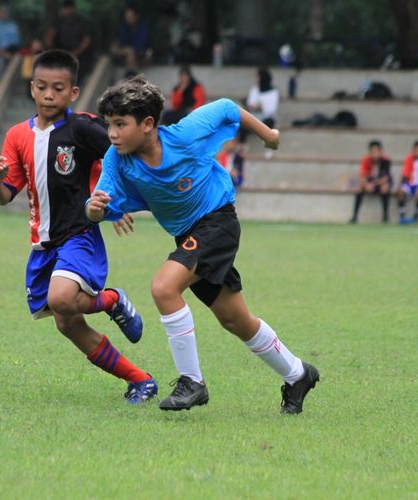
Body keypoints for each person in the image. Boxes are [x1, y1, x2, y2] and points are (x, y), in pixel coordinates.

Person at [87, 76, 319, 414]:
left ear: (148, 124)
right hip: (189, 235)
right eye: (109, 125)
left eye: (120, 124)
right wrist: (94, 211)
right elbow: (100, 203)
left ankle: (191, 381)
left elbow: (227, 108)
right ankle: (298, 373)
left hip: (218, 221)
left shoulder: (185, 135)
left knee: (164, 287)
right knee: (235, 319)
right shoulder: (116, 159)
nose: (112, 133)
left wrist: (268, 136)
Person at [0, 50, 157, 404]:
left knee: (62, 298)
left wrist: (114, 201)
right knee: (67, 323)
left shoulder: (82, 127)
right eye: (42, 87)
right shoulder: (18, 136)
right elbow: (4, 196)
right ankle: (140, 380)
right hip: (43, 243)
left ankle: (111, 299)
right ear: (31, 88)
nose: (49, 95)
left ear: (73, 93)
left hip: (79, 234)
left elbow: (120, 154)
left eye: (58, 88)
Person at [46, 1, 92, 79]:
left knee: (77, 77)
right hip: (61, 53)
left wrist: (77, 52)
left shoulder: (81, 21)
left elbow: (86, 40)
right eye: (65, 9)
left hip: (78, 55)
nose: (67, 11)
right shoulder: (58, 21)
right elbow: (50, 35)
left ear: (73, 9)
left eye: (69, 8)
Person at [349, 140, 392, 224]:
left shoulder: (386, 161)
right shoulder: (366, 160)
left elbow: (386, 177)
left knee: (385, 187)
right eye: (373, 151)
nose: (375, 153)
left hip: (380, 183)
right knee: (359, 188)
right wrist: (366, 184)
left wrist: (375, 184)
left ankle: (385, 216)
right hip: (369, 183)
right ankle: (354, 216)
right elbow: (362, 176)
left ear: (381, 151)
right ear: (370, 152)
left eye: (377, 151)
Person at [396, 140, 418, 224]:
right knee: (401, 192)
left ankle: (416, 215)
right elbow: (404, 174)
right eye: (416, 149)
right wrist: (401, 185)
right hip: (410, 183)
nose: (417, 151)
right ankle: (402, 215)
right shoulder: (409, 159)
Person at [110, 5, 152, 73]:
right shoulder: (123, 27)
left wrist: (131, 49)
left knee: (131, 53)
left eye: (130, 16)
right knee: (126, 51)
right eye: (127, 16)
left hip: (141, 51)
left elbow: (142, 43)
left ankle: (131, 73)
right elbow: (121, 41)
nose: (128, 18)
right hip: (125, 51)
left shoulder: (143, 27)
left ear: (136, 16)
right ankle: (130, 72)